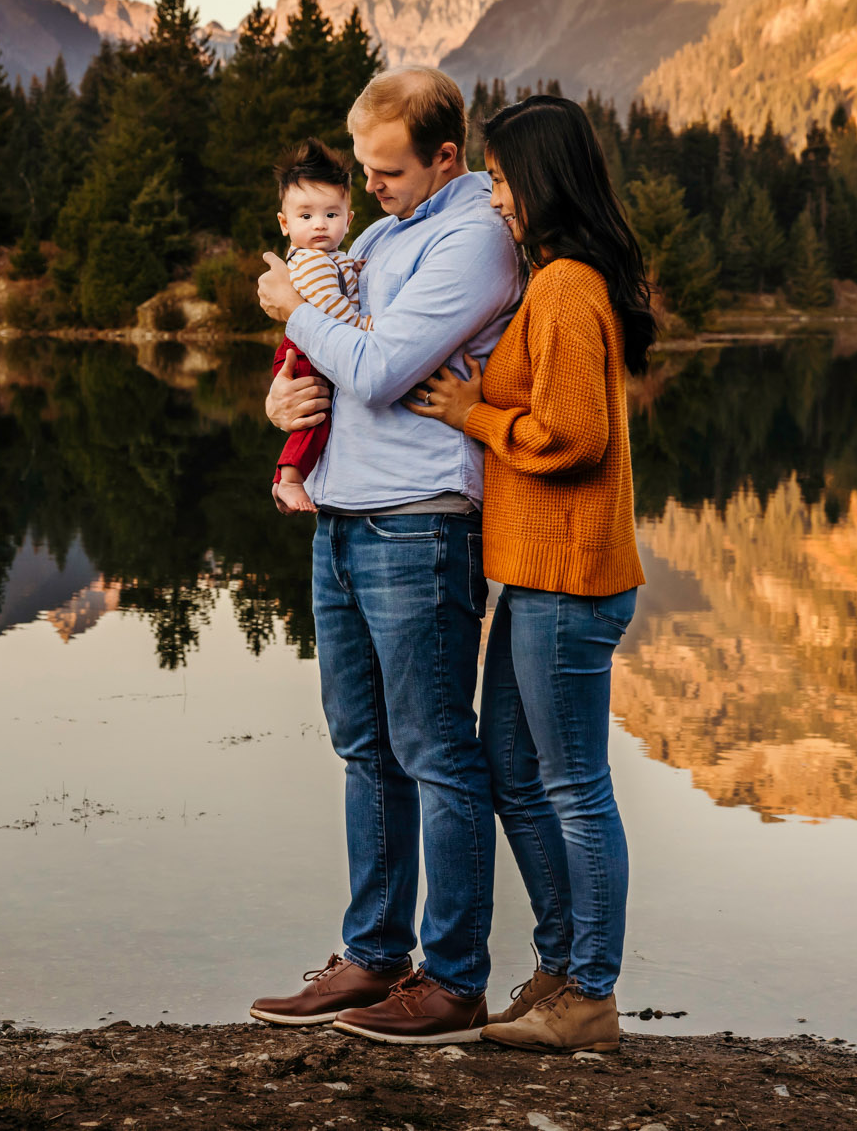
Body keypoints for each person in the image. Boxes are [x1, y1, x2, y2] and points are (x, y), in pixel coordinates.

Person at [245, 67, 521, 1045]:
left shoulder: (473, 239)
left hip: (421, 524)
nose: (371, 188)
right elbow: (330, 365)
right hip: (344, 518)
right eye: (363, 170)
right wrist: (278, 404)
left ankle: (451, 982)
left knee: (438, 752)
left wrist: (290, 309)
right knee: (364, 746)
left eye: (390, 170)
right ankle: (372, 957)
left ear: (445, 156)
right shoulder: (377, 234)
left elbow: (376, 363)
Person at [406, 93, 653, 1054]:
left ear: (543, 181)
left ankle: (589, 992)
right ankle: (560, 970)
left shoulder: (563, 288)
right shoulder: (559, 280)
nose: (495, 198)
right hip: (543, 576)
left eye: (504, 180)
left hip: (570, 582)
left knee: (574, 784)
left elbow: (574, 437)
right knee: (516, 768)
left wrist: (472, 414)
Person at [268, 138, 370, 515]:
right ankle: (289, 479)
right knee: (314, 415)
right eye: (306, 216)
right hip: (304, 353)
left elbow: (343, 277)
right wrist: (364, 325)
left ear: (348, 219)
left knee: (315, 414)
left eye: (331, 215)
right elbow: (330, 304)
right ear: (285, 223)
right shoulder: (310, 262)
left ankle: (291, 478)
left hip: (313, 346)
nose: (320, 225)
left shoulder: (333, 257)